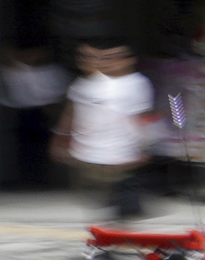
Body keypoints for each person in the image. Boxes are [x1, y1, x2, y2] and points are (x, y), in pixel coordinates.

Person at [59, 38, 155, 220]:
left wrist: (143, 146)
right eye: (105, 58)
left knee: (121, 206)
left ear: (129, 59)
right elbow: (73, 115)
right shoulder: (88, 84)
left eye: (112, 57)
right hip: (91, 155)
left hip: (121, 155)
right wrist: (64, 140)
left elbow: (143, 118)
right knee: (98, 202)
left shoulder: (137, 83)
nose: (107, 62)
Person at [0, 42, 66, 191]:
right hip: (16, 113)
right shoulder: (10, 71)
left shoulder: (52, 70)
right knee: (19, 148)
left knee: (41, 148)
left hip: (43, 112)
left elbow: (60, 94)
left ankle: (42, 180)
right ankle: (22, 179)